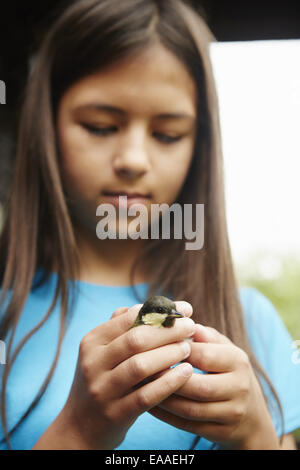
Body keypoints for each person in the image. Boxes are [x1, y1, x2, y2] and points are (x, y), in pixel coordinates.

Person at [0, 0, 299, 450]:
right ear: (46, 128)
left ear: (199, 149)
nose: (134, 161)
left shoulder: (251, 320)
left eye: (167, 135)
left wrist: (254, 433)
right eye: (100, 126)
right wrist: (80, 432)